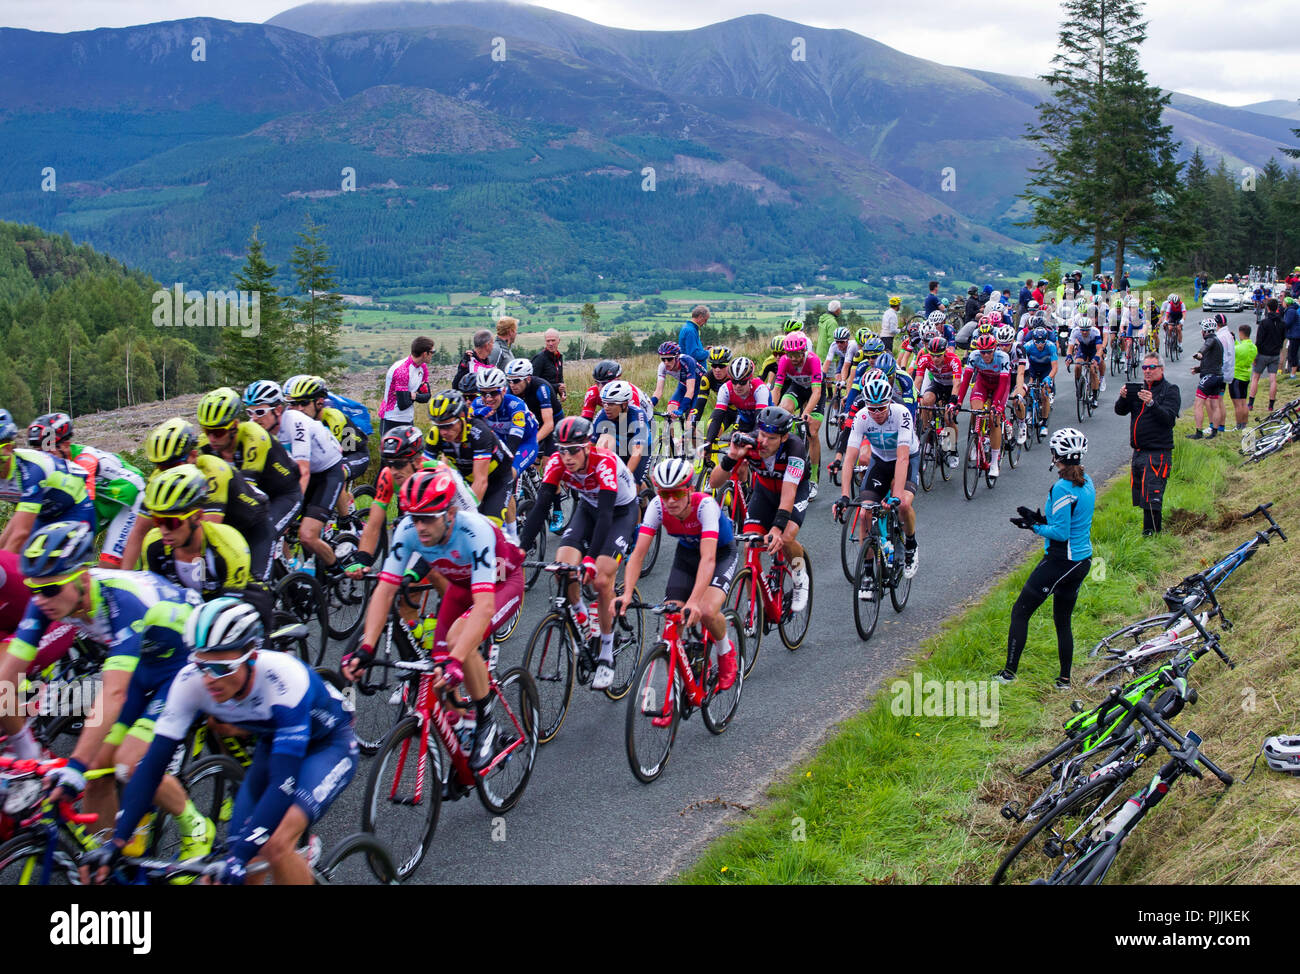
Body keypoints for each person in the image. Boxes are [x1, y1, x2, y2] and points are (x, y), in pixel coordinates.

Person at [84, 598, 357, 886]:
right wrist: (116, 842)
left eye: (221, 668)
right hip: (272, 742)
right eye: (202, 666)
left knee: (274, 845)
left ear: (252, 657)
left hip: (328, 746)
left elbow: (282, 783)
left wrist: (240, 856)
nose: (209, 679)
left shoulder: (284, 680)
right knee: (240, 859)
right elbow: (152, 767)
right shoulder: (190, 681)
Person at [0, 521, 211, 856]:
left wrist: (75, 767)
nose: (40, 600)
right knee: (100, 769)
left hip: (183, 666)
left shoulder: (123, 603)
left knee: (129, 762)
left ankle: (197, 827)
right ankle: (110, 857)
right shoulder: (46, 601)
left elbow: (113, 694)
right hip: (145, 662)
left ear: (82, 578)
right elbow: (5, 675)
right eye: (34, 590)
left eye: (51, 589)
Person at [345, 469, 523, 768]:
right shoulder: (409, 530)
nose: (420, 527)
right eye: (415, 518)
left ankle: (486, 721)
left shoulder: (474, 531)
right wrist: (366, 648)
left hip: (502, 583)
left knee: (457, 643)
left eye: (429, 518)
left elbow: (483, 607)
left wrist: (457, 659)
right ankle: (463, 729)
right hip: (460, 585)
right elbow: (385, 591)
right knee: (436, 671)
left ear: (451, 513)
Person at [517, 418, 639, 690]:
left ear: (587, 446)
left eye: (573, 450)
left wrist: (590, 560)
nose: (567, 457)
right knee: (563, 569)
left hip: (619, 512)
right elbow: (540, 508)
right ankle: (582, 618)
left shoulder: (603, 462)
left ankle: (607, 654)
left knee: (601, 579)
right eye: (562, 449)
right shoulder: (557, 463)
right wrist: (521, 548)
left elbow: (607, 516)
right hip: (587, 507)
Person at [616, 458, 739, 693]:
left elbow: (708, 559)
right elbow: (638, 555)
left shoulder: (706, 506)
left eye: (677, 494)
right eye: (664, 494)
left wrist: (693, 602)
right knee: (672, 616)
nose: (670, 501)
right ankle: (679, 678)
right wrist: (628, 593)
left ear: (690, 490)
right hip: (687, 554)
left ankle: (725, 650)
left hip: (719, 553)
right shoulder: (657, 507)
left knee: (705, 610)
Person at [996, 428, 1094, 689]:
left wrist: (1034, 526)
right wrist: (1039, 518)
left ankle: (1008, 675)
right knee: (1062, 620)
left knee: (1020, 612)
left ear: (1056, 455)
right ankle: (1064, 681)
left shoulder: (1062, 487)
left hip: (1061, 561)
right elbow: (1071, 522)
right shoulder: (1087, 481)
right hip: (1082, 560)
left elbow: (1060, 533)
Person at [707, 405, 811, 612]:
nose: (763, 442)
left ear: (783, 437)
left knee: (787, 537)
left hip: (794, 491)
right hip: (764, 493)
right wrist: (732, 457)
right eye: (762, 434)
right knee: (750, 546)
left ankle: (800, 577)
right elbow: (714, 483)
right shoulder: (750, 443)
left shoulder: (795, 447)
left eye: (771, 438)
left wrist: (777, 528)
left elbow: (789, 493)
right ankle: (751, 605)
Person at [833, 376, 920, 593]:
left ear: (890, 403)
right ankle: (869, 572)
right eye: (872, 408)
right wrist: (844, 495)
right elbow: (850, 458)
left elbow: (902, 459)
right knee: (864, 513)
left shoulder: (902, 414)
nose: (877, 413)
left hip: (907, 458)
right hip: (880, 461)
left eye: (881, 408)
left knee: (903, 505)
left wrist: (897, 495)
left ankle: (910, 544)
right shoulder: (862, 417)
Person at [26, 413, 144, 569]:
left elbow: (84, 507)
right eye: (39, 451)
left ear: (66, 445)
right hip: (103, 504)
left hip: (129, 500)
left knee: (108, 566)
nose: (44, 456)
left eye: (49, 449)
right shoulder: (49, 466)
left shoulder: (84, 460)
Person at [197, 387, 303, 548]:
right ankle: (288, 565)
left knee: (261, 539)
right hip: (260, 494)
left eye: (218, 432)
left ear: (234, 425)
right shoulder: (205, 443)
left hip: (285, 494)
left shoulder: (253, 436)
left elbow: (248, 492)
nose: (211, 438)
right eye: (207, 431)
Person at [0, 413, 95, 554]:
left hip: (74, 509)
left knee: (50, 565)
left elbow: (21, 533)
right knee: (24, 561)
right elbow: (17, 521)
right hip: (43, 514)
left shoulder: (31, 470)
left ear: (7, 449)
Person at [1116, 354, 1180, 536]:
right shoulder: (1140, 389)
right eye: (1145, 368)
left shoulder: (1170, 390)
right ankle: (1149, 535)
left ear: (1161, 369)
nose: (1148, 371)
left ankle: (1152, 537)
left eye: (1152, 367)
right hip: (1138, 452)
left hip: (1158, 453)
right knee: (1142, 498)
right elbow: (1120, 411)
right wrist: (1123, 398)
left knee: (1153, 498)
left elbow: (1168, 419)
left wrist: (1151, 403)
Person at [505, 357, 562, 455]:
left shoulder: (541, 387)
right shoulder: (509, 391)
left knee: (548, 461)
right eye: (509, 380)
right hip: (534, 422)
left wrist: (531, 443)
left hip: (553, 422)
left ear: (528, 378)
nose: (512, 385)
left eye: (516, 381)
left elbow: (549, 425)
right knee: (530, 460)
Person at [379, 337, 433, 435]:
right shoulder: (402, 370)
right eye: (432, 352)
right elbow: (403, 404)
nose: (433, 355)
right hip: (391, 418)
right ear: (425, 354)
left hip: (408, 418)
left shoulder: (423, 367)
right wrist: (415, 395)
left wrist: (411, 395)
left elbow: (427, 397)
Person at [1187, 319, 1226, 439]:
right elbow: (1213, 361)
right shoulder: (1218, 342)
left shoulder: (1210, 340)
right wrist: (1199, 369)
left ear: (1205, 331)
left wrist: (1199, 353)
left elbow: (1205, 348)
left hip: (1209, 377)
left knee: (1198, 404)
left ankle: (1198, 432)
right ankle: (1214, 431)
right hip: (1218, 376)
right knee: (1215, 404)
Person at [1250, 298, 1285, 413]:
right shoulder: (1281, 322)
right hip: (1275, 354)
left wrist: (1255, 354)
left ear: (1268, 308)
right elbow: (1283, 337)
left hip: (1263, 353)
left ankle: (1250, 403)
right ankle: (1271, 405)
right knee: (1273, 379)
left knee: (1255, 378)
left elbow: (1259, 340)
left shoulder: (1264, 322)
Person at [1230, 324, 1257, 429]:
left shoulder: (1239, 348)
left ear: (1241, 333)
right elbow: (1240, 348)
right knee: (1243, 402)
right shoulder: (1253, 347)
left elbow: (1234, 351)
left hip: (1236, 375)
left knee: (1237, 404)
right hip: (1246, 375)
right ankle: (1244, 424)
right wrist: (1235, 341)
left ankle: (1238, 424)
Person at [532, 329, 566, 400]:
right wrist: (556, 387)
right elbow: (533, 382)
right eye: (548, 341)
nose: (550, 344)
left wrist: (562, 393)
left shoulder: (559, 357)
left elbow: (560, 378)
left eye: (553, 340)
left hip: (553, 399)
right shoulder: (539, 358)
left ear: (559, 341)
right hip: (540, 400)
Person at [1284, 296, 1300, 379]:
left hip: (1295, 336)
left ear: (1286, 303)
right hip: (1294, 335)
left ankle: (1293, 374)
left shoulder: (1290, 311)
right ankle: (1292, 373)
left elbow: (1287, 323)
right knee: (1291, 354)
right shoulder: (1291, 310)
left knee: (1292, 354)